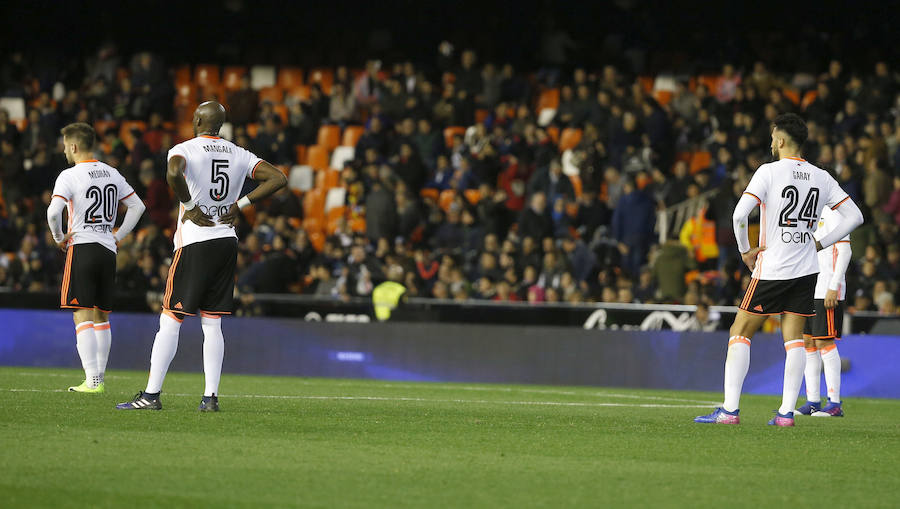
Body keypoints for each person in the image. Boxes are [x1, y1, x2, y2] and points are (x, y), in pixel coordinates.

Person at [694, 114, 863, 427]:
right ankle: (786, 414)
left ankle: (730, 411)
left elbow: (740, 214)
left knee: (740, 331)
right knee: (795, 339)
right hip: (807, 270)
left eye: (773, 137)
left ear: (782, 140)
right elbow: (855, 217)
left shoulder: (768, 172)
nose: (771, 143)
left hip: (773, 266)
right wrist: (821, 243)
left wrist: (745, 251)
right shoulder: (821, 177)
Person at [117, 101, 286, 412]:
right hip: (226, 242)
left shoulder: (185, 149)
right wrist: (242, 204)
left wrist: (191, 205)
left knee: (170, 318)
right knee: (212, 324)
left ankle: (151, 395)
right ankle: (210, 398)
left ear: (196, 120)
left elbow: (172, 173)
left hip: (195, 241)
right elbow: (278, 178)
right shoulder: (239, 153)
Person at [46, 122, 145, 393]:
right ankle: (98, 379)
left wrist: (58, 237)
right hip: (107, 249)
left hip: (83, 247)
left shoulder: (69, 175)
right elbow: (138, 206)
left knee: (82, 314)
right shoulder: (112, 172)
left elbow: (53, 213)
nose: (65, 150)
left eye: (66, 145)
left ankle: (92, 381)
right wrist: (119, 235)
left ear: (74, 146)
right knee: (102, 316)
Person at [795, 206, 851, 417]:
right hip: (808, 286)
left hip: (826, 287)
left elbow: (845, 251)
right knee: (808, 342)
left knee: (824, 341)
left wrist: (833, 286)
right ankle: (813, 401)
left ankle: (835, 403)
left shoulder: (835, 213)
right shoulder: (808, 211)